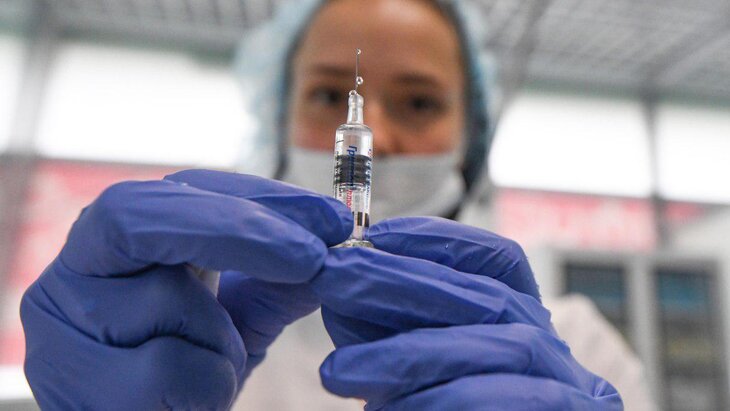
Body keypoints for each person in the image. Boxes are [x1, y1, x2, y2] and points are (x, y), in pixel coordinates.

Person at [19, 0, 647, 409]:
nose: (380, 136)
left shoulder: (572, 343)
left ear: (471, 140)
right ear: (277, 118)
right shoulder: (195, 325)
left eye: (420, 102)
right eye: (327, 95)